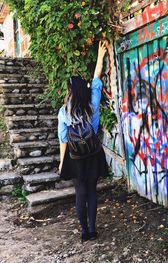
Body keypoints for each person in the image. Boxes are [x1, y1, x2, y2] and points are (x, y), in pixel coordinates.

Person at [58, 41, 109, 243]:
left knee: (80, 193)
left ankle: (84, 232)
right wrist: (100, 56)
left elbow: (63, 139)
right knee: (92, 192)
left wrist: (62, 162)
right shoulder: (92, 105)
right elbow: (96, 80)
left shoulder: (64, 112)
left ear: (70, 91)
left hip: (75, 156)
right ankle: (94, 229)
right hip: (93, 153)